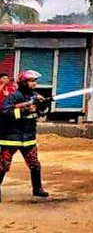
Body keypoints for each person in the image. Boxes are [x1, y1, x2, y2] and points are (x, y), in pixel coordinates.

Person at [0, 70, 51, 202]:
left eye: (35, 81)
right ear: (23, 82)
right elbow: (6, 112)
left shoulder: (35, 96)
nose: (34, 84)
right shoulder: (13, 97)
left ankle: (37, 188)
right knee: (3, 165)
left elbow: (43, 113)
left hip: (28, 138)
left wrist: (42, 106)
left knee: (35, 164)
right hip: (11, 138)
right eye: (31, 81)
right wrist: (24, 110)